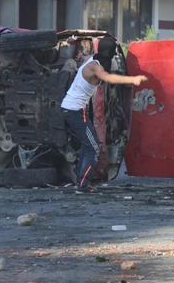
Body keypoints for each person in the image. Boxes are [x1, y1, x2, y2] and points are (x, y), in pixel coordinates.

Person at [61, 36, 146, 194]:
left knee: (88, 145)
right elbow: (108, 77)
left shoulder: (92, 59)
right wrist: (133, 79)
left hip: (72, 108)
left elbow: (85, 58)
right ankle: (82, 185)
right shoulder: (95, 66)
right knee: (92, 147)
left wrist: (82, 57)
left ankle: (81, 182)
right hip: (75, 110)